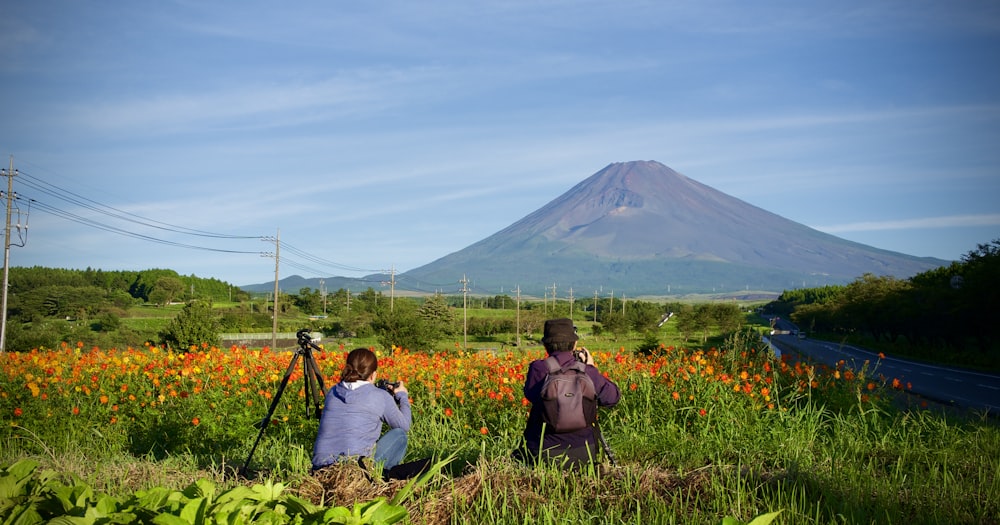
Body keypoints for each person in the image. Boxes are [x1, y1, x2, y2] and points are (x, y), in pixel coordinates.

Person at [516, 318, 621, 468]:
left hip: (543, 453)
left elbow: (530, 395)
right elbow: (613, 398)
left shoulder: (538, 369)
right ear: (575, 344)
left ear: (546, 345)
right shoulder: (586, 371)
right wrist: (591, 368)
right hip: (584, 452)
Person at [312, 347, 411, 473]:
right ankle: (381, 476)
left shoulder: (333, 392)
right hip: (355, 470)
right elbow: (404, 425)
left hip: (320, 468)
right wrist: (402, 396)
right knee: (399, 435)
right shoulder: (380, 396)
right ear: (373, 375)